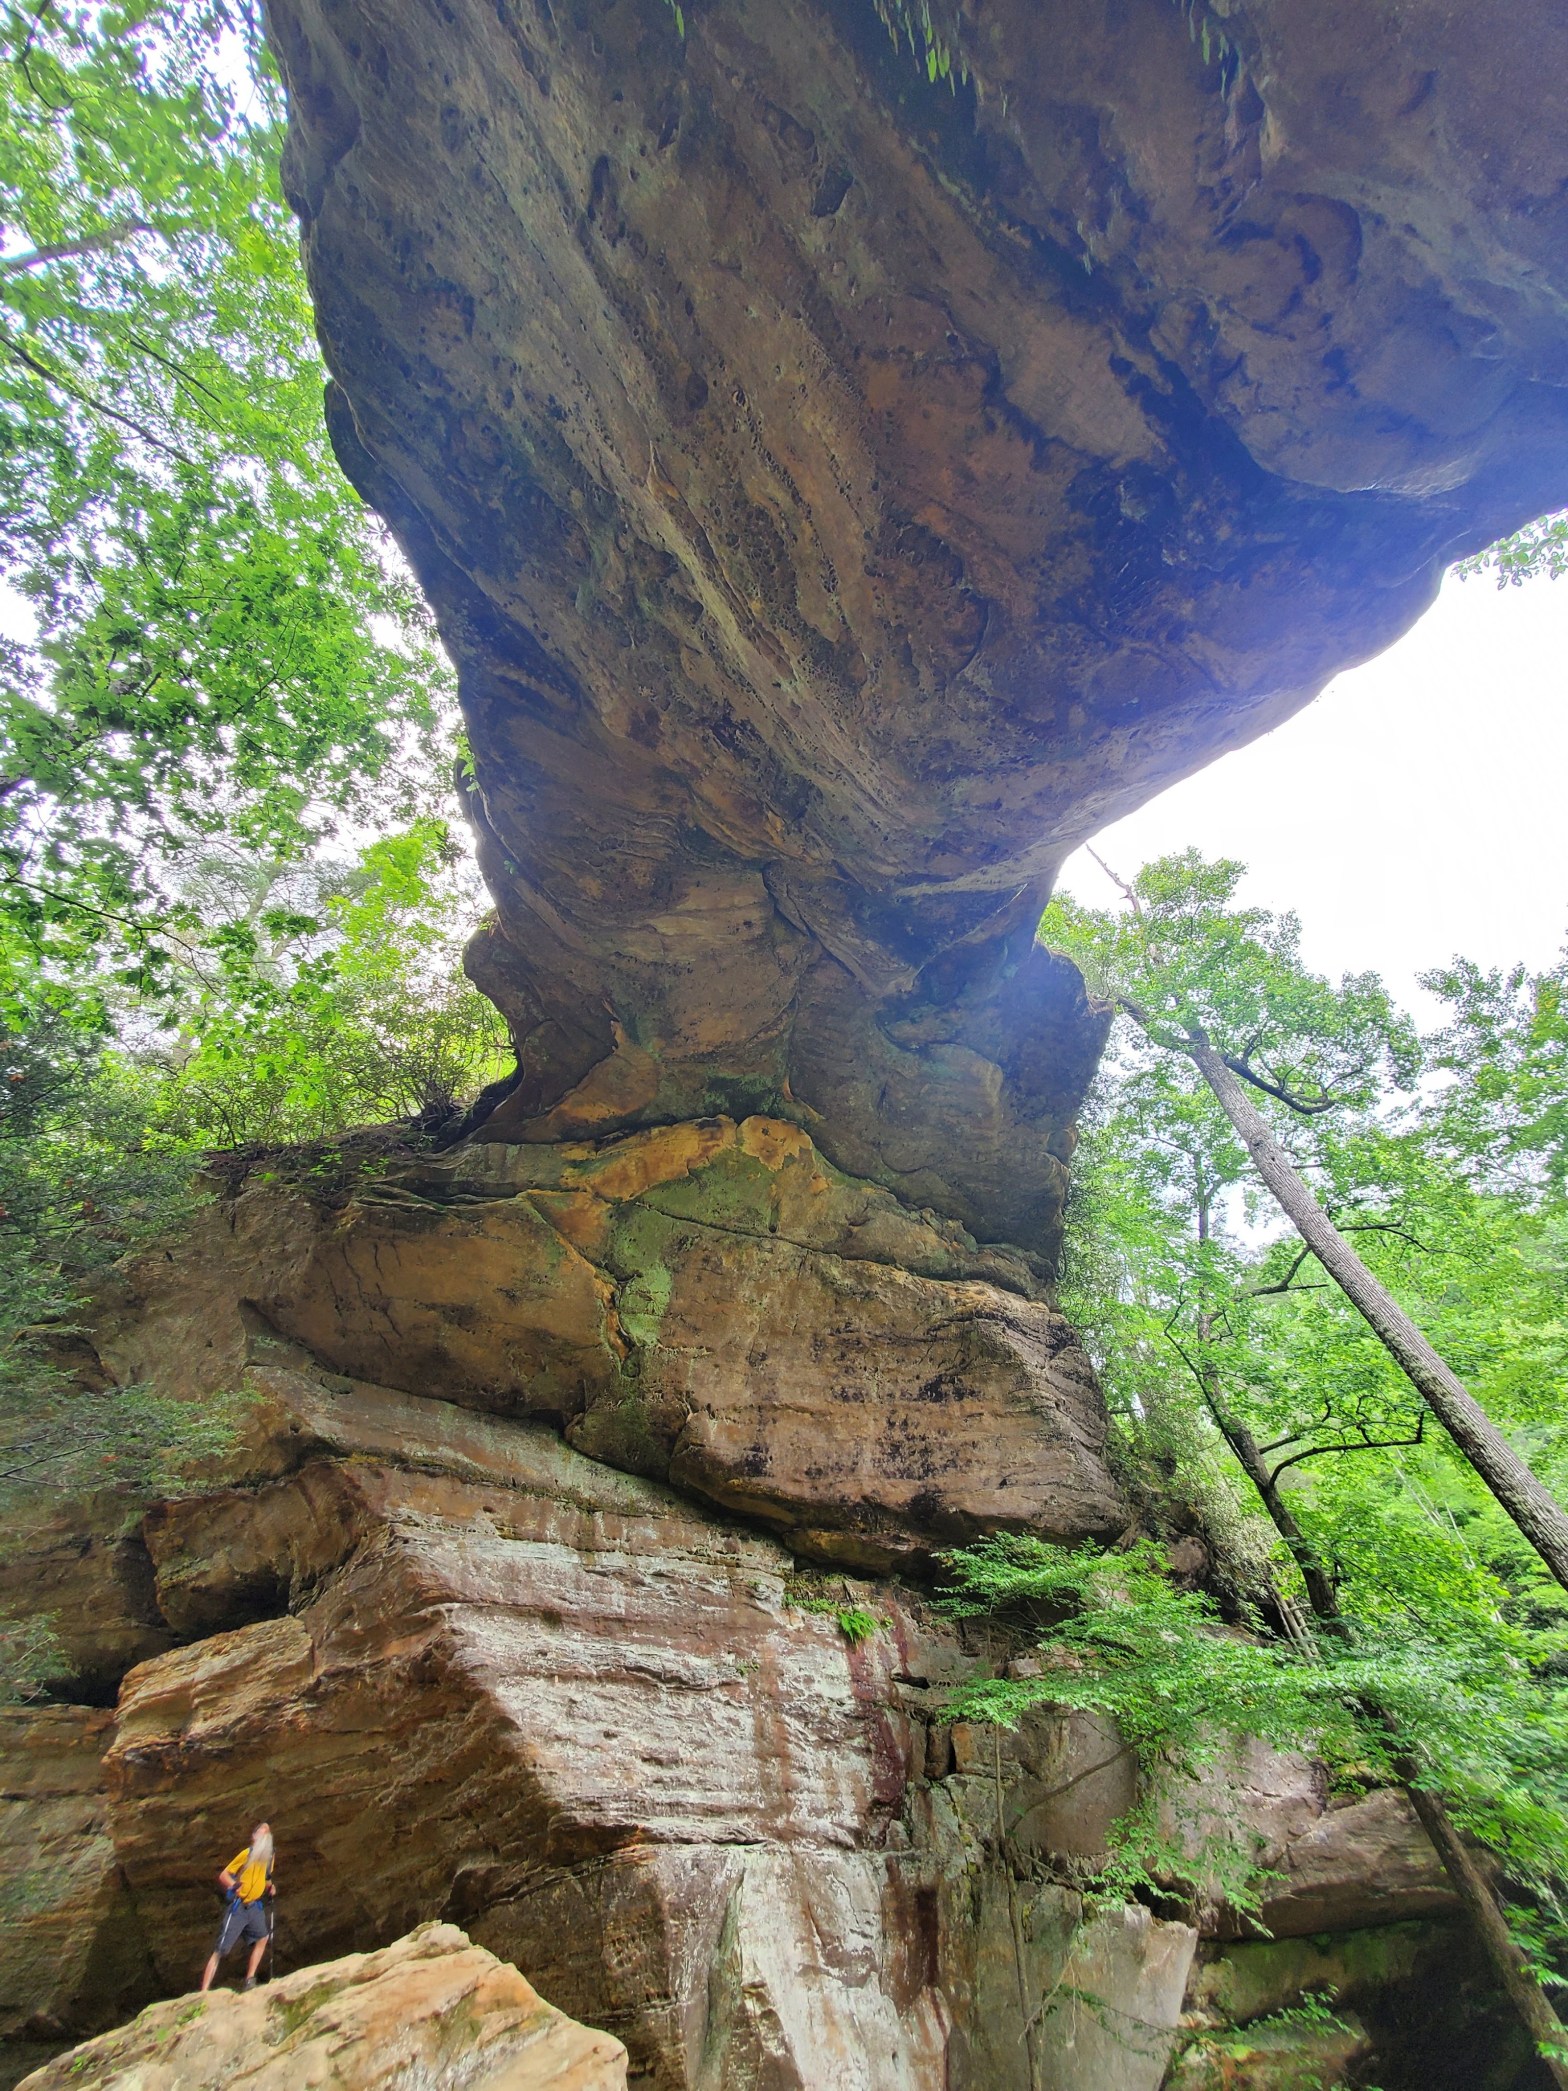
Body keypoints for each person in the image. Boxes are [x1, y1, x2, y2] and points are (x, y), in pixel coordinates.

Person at [198, 1822, 275, 1993]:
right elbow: (224, 1874)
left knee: (262, 1938)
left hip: (255, 1906)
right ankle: (204, 1991)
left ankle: (250, 1979)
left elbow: (267, 1876)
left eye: (267, 1836)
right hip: (239, 1906)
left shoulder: (269, 1857)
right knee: (221, 1949)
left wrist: (270, 1886)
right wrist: (234, 1885)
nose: (265, 1839)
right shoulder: (246, 1855)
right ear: (254, 1837)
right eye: (262, 1834)